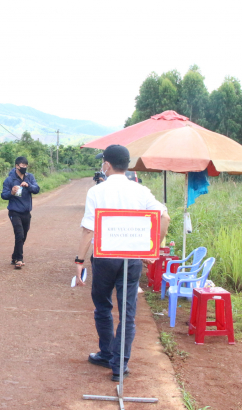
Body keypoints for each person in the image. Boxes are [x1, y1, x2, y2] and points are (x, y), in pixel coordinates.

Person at [75, 145, 170, 381]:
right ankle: (119, 367)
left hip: (105, 257)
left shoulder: (97, 191)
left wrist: (79, 261)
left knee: (103, 306)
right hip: (131, 258)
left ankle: (106, 354)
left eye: (102, 162)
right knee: (127, 312)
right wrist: (153, 249)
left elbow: (88, 230)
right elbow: (164, 217)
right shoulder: (141, 191)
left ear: (106, 164)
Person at [1, 156, 40, 269]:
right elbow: (3, 195)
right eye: (22, 166)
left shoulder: (29, 177)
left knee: (23, 236)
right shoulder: (9, 180)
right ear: (16, 166)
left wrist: (28, 185)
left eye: (25, 166)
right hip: (14, 211)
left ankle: (14, 256)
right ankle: (19, 259)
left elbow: (37, 189)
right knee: (19, 234)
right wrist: (12, 192)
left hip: (26, 212)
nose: (24, 168)